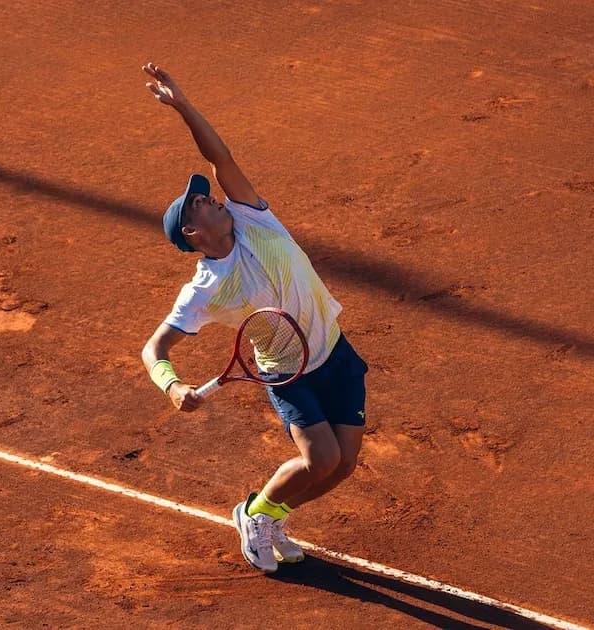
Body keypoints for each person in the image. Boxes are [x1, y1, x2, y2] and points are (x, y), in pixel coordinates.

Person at [138, 62, 369, 574]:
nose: (210, 197)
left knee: (345, 465)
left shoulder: (251, 216)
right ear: (193, 233)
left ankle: (264, 514)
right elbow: (153, 350)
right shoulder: (204, 289)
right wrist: (172, 386)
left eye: (205, 194)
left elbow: (219, 156)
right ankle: (259, 517)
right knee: (322, 460)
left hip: (334, 350)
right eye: (199, 203)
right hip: (289, 373)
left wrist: (182, 105)